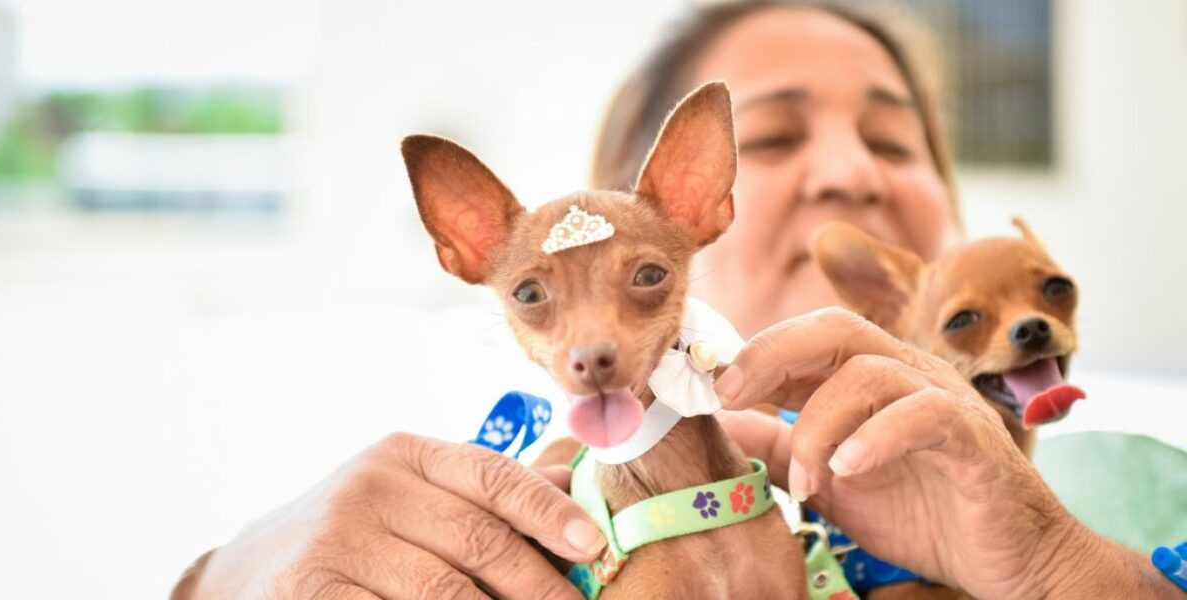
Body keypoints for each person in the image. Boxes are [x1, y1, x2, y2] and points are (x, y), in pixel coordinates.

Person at [174, 2, 1180, 598]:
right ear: (649, 202)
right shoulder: (513, 496)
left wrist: (1060, 568)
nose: (848, 174)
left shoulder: (1135, 490)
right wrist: (214, 583)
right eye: (777, 138)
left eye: (892, 140)